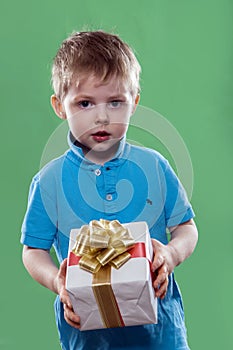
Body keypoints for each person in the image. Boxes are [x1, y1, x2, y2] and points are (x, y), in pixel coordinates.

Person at [21, 30, 198, 350]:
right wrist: (55, 281)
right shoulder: (49, 181)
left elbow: (186, 228)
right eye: (85, 103)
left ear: (135, 103)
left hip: (160, 332)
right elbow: (32, 251)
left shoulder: (154, 166)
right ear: (60, 106)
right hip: (88, 334)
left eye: (115, 102)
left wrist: (171, 253)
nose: (101, 116)